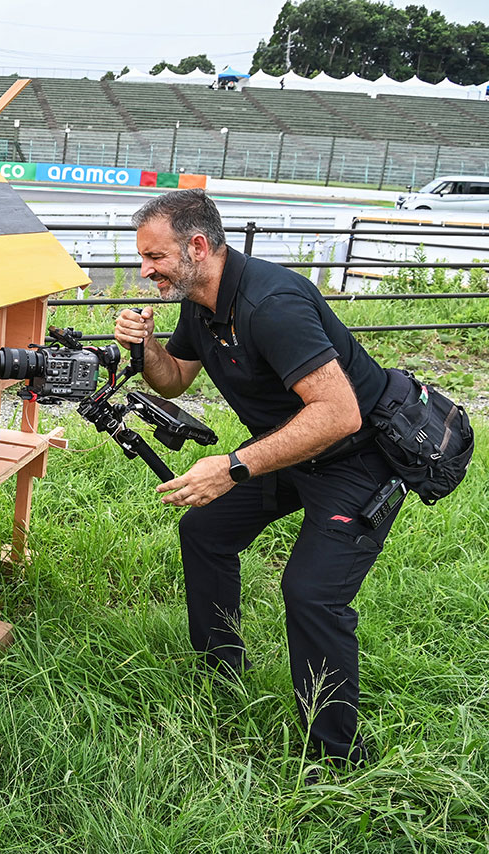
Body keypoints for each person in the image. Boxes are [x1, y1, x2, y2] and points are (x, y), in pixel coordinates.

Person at [113, 189, 401, 768]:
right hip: (291, 450)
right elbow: (174, 382)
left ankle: (339, 760)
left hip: (356, 458)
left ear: (197, 246)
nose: (145, 271)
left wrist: (233, 466)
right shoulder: (201, 301)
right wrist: (145, 348)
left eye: (155, 258)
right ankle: (222, 672)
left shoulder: (272, 303)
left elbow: (338, 412)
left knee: (311, 594)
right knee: (205, 532)